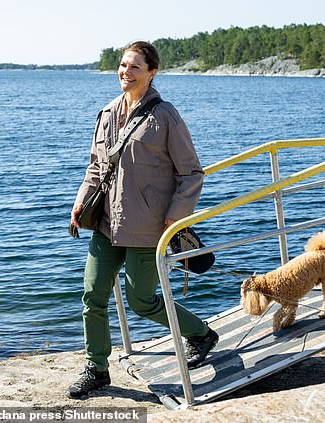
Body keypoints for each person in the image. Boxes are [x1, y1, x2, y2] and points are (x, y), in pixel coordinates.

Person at [67, 41, 219, 399]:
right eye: (123, 65)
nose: (126, 72)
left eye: (135, 67)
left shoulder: (165, 115)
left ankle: (200, 333)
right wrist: (78, 204)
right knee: (93, 295)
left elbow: (192, 173)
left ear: (152, 72)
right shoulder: (106, 113)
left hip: (148, 226)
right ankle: (96, 368)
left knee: (141, 300)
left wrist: (175, 217)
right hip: (106, 222)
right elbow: (95, 166)